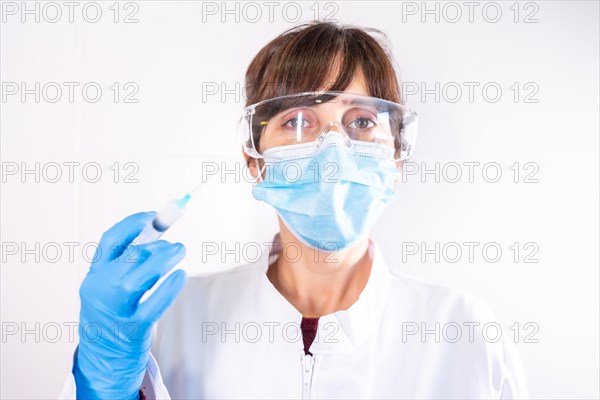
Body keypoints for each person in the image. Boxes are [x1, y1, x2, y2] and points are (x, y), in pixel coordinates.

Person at [60, 21, 529, 399]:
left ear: (397, 158)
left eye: (362, 121)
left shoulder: (465, 333)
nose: (333, 149)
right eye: (297, 120)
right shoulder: (169, 324)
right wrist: (99, 384)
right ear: (255, 160)